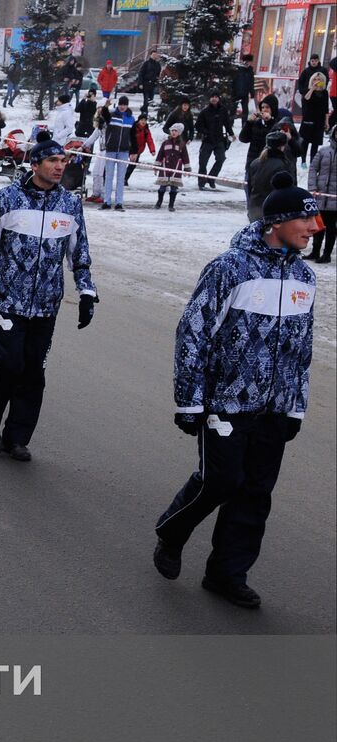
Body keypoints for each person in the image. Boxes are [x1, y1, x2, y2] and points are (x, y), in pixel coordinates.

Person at [152, 177, 321, 608]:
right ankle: (171, 532)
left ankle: (227, 573)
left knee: (255, 494)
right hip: (225, 403)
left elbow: (302, 350)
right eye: (306, 217)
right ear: (278, 222)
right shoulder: (231, 268)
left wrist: (296, 407)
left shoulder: (305, 277)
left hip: (275, 408)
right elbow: (193, 333)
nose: (315, 226)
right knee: (220, 481)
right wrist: (189, 400)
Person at [0, 133, 96, 462]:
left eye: (62, 161)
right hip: (7, 299)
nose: (59, 166)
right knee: (9, 366)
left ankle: (18, 436)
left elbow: (78, 252)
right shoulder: (6, 199)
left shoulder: (69, 205)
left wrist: (86, 292)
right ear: (34, 164)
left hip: (45, 304)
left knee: (33, 371)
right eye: (52, 161)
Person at [246, 130, 297, 223]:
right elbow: (287, 191)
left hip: (255, 208)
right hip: (274, 210)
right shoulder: (284, 165)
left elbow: (249, 187)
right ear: (282, 146)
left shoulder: (255, 162)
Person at [308, 126, 337, 263]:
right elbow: (313, 168)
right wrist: (313, 187)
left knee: (331, 227)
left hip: (334, 199)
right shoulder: (323, 151)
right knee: (318, 226)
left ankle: (327, 254)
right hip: (320, 196)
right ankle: (315, 251)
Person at [100, 96, 134, 210]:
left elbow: (133, 136)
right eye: (120, 104)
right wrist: (106, 105)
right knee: (109, 176)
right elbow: (104, 114)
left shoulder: (131, 118)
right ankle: (107, 202)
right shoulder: (112, 115)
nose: (122, 107)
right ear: (118, 105)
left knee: (121, 178)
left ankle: (119, 202)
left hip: (124, 151)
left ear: (127, 105)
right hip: (111, 149)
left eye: (124, 104)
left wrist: (133, 151)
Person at [195, 92, 233, 190]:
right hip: (207, 140)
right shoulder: (205, 112)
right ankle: (202, 181)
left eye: (216, 97)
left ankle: (211, 178)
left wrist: (231, 133)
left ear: (219, 99)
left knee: (221, 159)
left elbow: (227, 123)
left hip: (219, 139)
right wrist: (206, 132)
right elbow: (198, 126)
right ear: (210, 99)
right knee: (203, 162)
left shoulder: (223, 110)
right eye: (212, 97)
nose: (214, 99)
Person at [154, 123, 189, 211]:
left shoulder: (182, 145)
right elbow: (160, 155)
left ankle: (171, 205)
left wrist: (187, 168)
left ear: (179, 133)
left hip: (176, 168)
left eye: (175, 131)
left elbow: (185, 157)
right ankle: (159, 202)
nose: (173, 132)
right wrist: (157, 165)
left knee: (174, 188)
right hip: (165, 167)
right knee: (162, 187)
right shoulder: (165, 143)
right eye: (172, 131)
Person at [298, 74, 329, 164]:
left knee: (315, 143)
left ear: (322, 81)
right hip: (308, 119)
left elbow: (326, 108)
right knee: (305, 142)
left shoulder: (325, 92)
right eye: (315, 79)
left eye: (319, 79)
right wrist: (312, 88)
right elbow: (306, 99)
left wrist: (326, 122)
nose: (316, 80)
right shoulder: (307, 90)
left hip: (319, 119)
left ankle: (312, 162)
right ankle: (303, 161)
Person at [124, 116, 154, 185]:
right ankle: (123, 178)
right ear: (138, 121)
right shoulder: (133, 127)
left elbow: (149, 140)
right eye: (142, 120)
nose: (143, 122)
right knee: (127, 163)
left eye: (145, 120)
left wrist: (152, 150)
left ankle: (125, 178)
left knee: (133, 165)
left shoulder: (146, 130)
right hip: (129, 148)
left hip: (138, 150)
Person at [138, 51, 162, 118]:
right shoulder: (146, 63)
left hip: (153, 85)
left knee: (150, 100)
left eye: (156, 55)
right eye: (153, 55)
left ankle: (143, 108)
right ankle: (145, 113)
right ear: (150, 55)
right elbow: (141, 73)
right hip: (146, 84)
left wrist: (158, 81)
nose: (155, 56)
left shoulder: (158, 64)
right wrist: (140, 83)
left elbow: (158, 74)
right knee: (146, 99)